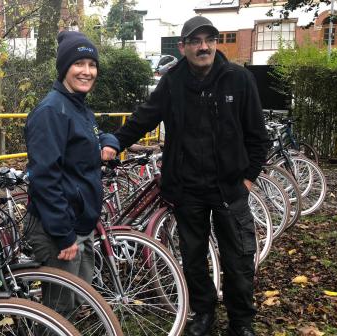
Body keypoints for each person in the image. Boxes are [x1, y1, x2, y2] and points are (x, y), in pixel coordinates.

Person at [102, 16, 270, 336]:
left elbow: (258, 137)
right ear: (183, 47)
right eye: (195, 41)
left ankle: (241, 322)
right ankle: (203, 314)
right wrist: (114, 142)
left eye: (208, 40)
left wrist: (247, 180)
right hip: (188, 189)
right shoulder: (173, 81)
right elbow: (144, 118)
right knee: (193, 259)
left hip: (229, 189)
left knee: (238, 259)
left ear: (216, 43)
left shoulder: (238, 78)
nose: (203, 46)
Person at [24, 31, 118, 314]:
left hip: (80, 223)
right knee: (58, 311)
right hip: (59, 228)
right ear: (64, 67)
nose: (87, 71)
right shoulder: (51, 111)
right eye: (79, 64)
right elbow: (44, 177)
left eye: (92, 65)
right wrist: (63, 234)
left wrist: (108, 141)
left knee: (78, 299)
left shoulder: (78, 107)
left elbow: (93, 133)